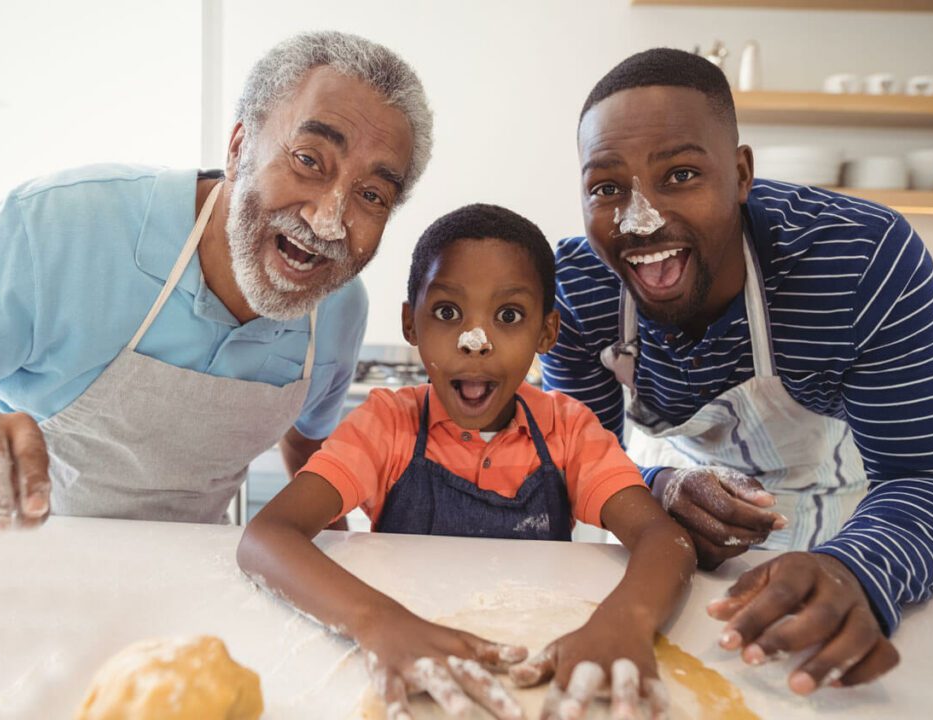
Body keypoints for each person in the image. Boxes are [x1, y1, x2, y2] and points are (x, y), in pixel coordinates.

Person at [542, 47, 933, 695]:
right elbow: (575, 456)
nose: (640, 220)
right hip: (669, 547)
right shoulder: (579, 287)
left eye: (681, 175)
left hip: (854, 532)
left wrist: (855, 571)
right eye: (608, 188)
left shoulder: (861, 260)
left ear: (742, 173)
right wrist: (661, 488)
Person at [237, 204, 696, 718]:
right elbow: (267, 537)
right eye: (448, 312)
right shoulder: (387, 425)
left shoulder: (567, 430)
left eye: (509, 316)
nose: (475, 342)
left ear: (547, 333)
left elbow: (664, 540)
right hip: (406, 663)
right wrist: (377, 623)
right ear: (410, 323)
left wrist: (626, 621)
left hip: (534, 668)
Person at [0, 32, 433, 527]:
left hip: (192, 582)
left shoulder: (338, 309)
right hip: (13, 557)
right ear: (239, 149)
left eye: (373, 195)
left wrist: (339, 555)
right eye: (308, 160)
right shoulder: (56, 227)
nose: (328, 221)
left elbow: (307, 445)